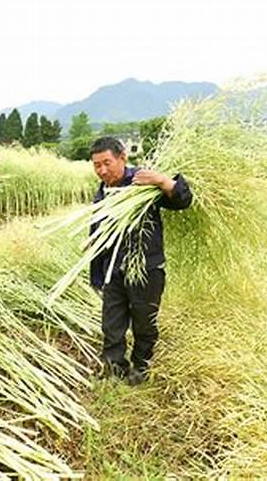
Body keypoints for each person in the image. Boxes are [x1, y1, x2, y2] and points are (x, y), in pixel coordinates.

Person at [89, 136, 193, 385]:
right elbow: (96, 236)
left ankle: (141, 366)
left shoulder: (143, 182)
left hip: (146, 267)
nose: (102, 170)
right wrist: (97, 275)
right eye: (96, 165)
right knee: (111, 324)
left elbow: (182, 200)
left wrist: (164, 181)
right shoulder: (102, 193)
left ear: (122, 158)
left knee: (145, 323)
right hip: (114, 269)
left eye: (107, 163)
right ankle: (115, 369)